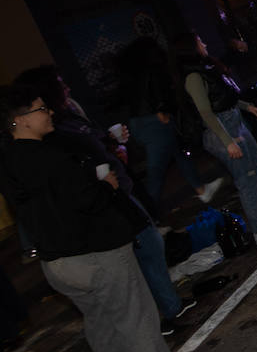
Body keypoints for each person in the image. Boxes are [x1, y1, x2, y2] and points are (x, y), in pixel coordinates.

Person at [0, 85, 202, 352]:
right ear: (21, 120)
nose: (49, 112)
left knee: (99, 321)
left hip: (59, 262)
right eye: (40, 109)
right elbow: (84, 200)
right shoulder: (51, 156)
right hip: (96, 251)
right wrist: (104, 186)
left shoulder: (9, 161)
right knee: (133, 314)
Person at [13, 67, 195, 337]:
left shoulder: (66, 116)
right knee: (137, 262)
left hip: (113, 193)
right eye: (60, 84)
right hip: (102, 209)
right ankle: (159, 326)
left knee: (147, 251)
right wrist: (102, 177)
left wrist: (111, 146)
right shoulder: (48, 139)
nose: (67, 88)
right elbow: (70, 183)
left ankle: (167, 311)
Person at [174, 33, 257, 244]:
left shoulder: (206, 69)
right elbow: (206, 113)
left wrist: (246, 107)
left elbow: (222, 99)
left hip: (235, 122)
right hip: (223, 130)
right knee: (246, 178)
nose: (204, 43)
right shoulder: (193, 77)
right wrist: (227, 141)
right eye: (198, 42)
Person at [114, 39, 223, 215]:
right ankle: (149, 217)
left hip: (140, 122)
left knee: (178, 153)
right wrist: (162, 110)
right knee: (156, 172)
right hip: (155, 122)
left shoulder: (130, 74)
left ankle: (201, 189)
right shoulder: (151, 69)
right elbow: (160, 92)